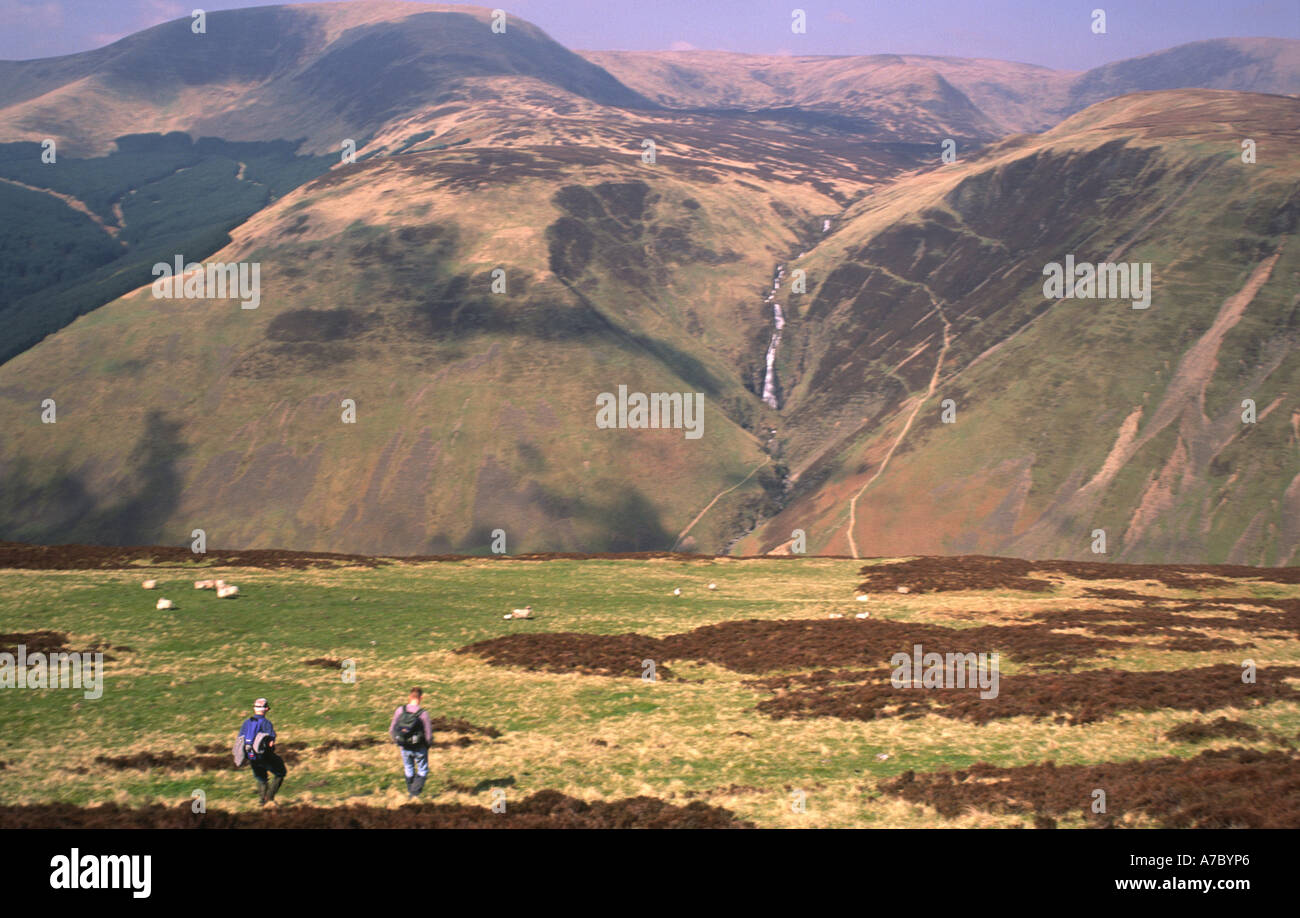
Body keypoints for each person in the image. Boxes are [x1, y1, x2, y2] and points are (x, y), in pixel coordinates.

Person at [239, 697, 287, 806]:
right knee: (281, 772)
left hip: (251, 756)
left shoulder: (246, 723)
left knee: (261, 778)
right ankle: (269, 798)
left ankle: (262, 802)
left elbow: (240, 740)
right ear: (265, 709)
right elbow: (271, 743)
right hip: (265, 755)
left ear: (254, 709)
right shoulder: (266, 723)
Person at [389, 687, 433, 798]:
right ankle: (413, 794)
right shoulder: (423, 714)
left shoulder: (400, 710)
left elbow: (391, 730)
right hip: (420, 748)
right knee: (423, 770)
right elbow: (428, 735)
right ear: (421, 698)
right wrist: (427, 746)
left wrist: (398, 741)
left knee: (408, 769)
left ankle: (411, 793)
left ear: (409, 697)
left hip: (404, 747)